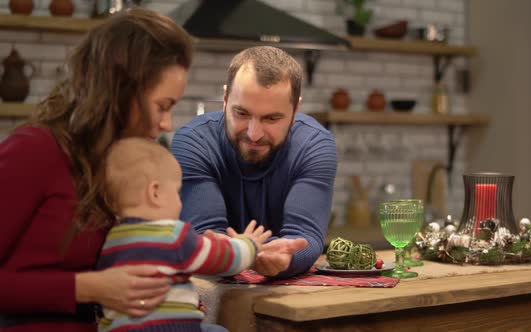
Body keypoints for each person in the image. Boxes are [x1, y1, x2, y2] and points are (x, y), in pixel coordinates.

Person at [0, 8, 193, 331]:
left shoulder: (113, 163)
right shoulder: (34, 151)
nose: (167, 124)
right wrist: (86, 288)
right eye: (163, 106)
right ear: (121, 91)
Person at [170, 46, 338, 278]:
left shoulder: (314, 145)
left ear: (295, 109)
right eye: (242, 113)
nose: (254, 133)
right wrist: (246, 254)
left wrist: (286, 257)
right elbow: (204, 238)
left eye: (272, 118)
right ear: (226, 98)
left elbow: (304, 237)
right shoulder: (193, 142)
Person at [97, 138, 270, 332]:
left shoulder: (112, 242)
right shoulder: (173, 236)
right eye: (178, 192)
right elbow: (226, 259)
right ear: (155, 193)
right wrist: (248, 244)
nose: (180, 203)